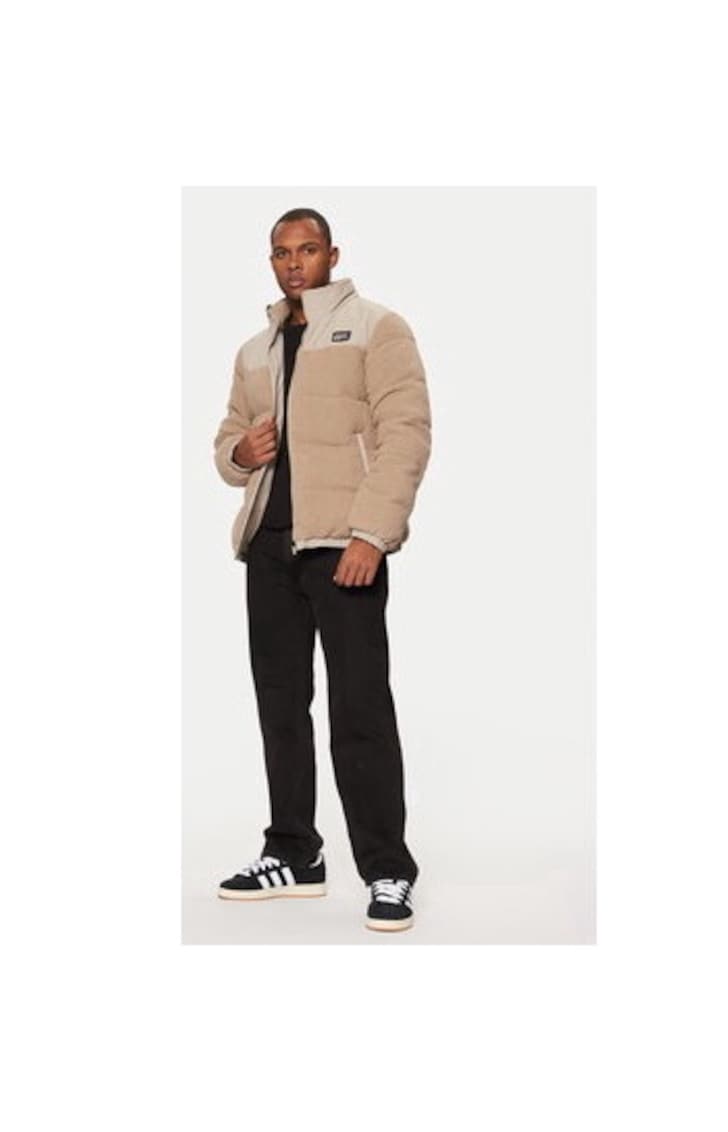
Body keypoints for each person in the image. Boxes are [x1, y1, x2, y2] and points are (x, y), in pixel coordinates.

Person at [212, 207, 432, 932]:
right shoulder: (256, 348)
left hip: (343, 547)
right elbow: (227, 440)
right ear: (271, 261)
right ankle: (294, 853)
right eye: (282, 253)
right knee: (280, 707)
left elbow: (406, 435)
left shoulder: (377, 327)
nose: (294, 263)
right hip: (269, 548)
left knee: (359, 710)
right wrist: (240, 452)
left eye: (307, 250)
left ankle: (388, 869)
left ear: (332, 254)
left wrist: (372, 534)